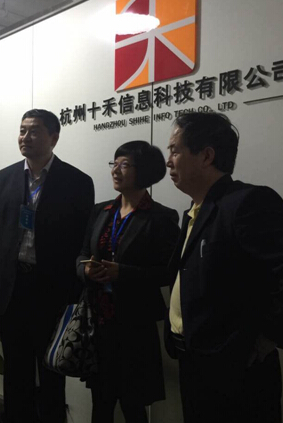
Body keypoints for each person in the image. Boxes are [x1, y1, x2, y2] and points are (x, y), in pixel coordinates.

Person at [164, 112, 283, 423]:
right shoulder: (197, 209)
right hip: (196, 362)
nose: (168, 161)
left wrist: (268, 335)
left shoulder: (245, 203)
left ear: (206, 156)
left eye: (175, 150)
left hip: (235, 372)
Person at [0, 109, 95, 423]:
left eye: (34, 131)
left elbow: (83, 242)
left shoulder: (77, 181)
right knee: (15, 369)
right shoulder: (3, 178)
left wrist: (76, 292)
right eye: (22, 130)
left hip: (53, 291)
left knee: (51, 371)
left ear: (53, 138)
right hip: (12, 289)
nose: (25, 137)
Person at [77, 141, 179, 423]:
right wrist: (86, 271)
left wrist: (123, 273)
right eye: (115, 163)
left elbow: (168, 272)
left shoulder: (161, 217)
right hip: (97, 322)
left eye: (124, 165)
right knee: (100, 402)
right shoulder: (101, 211)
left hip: (134, 326)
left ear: (143, 171)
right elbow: (82, 254)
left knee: (133, 404)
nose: (115, 170)